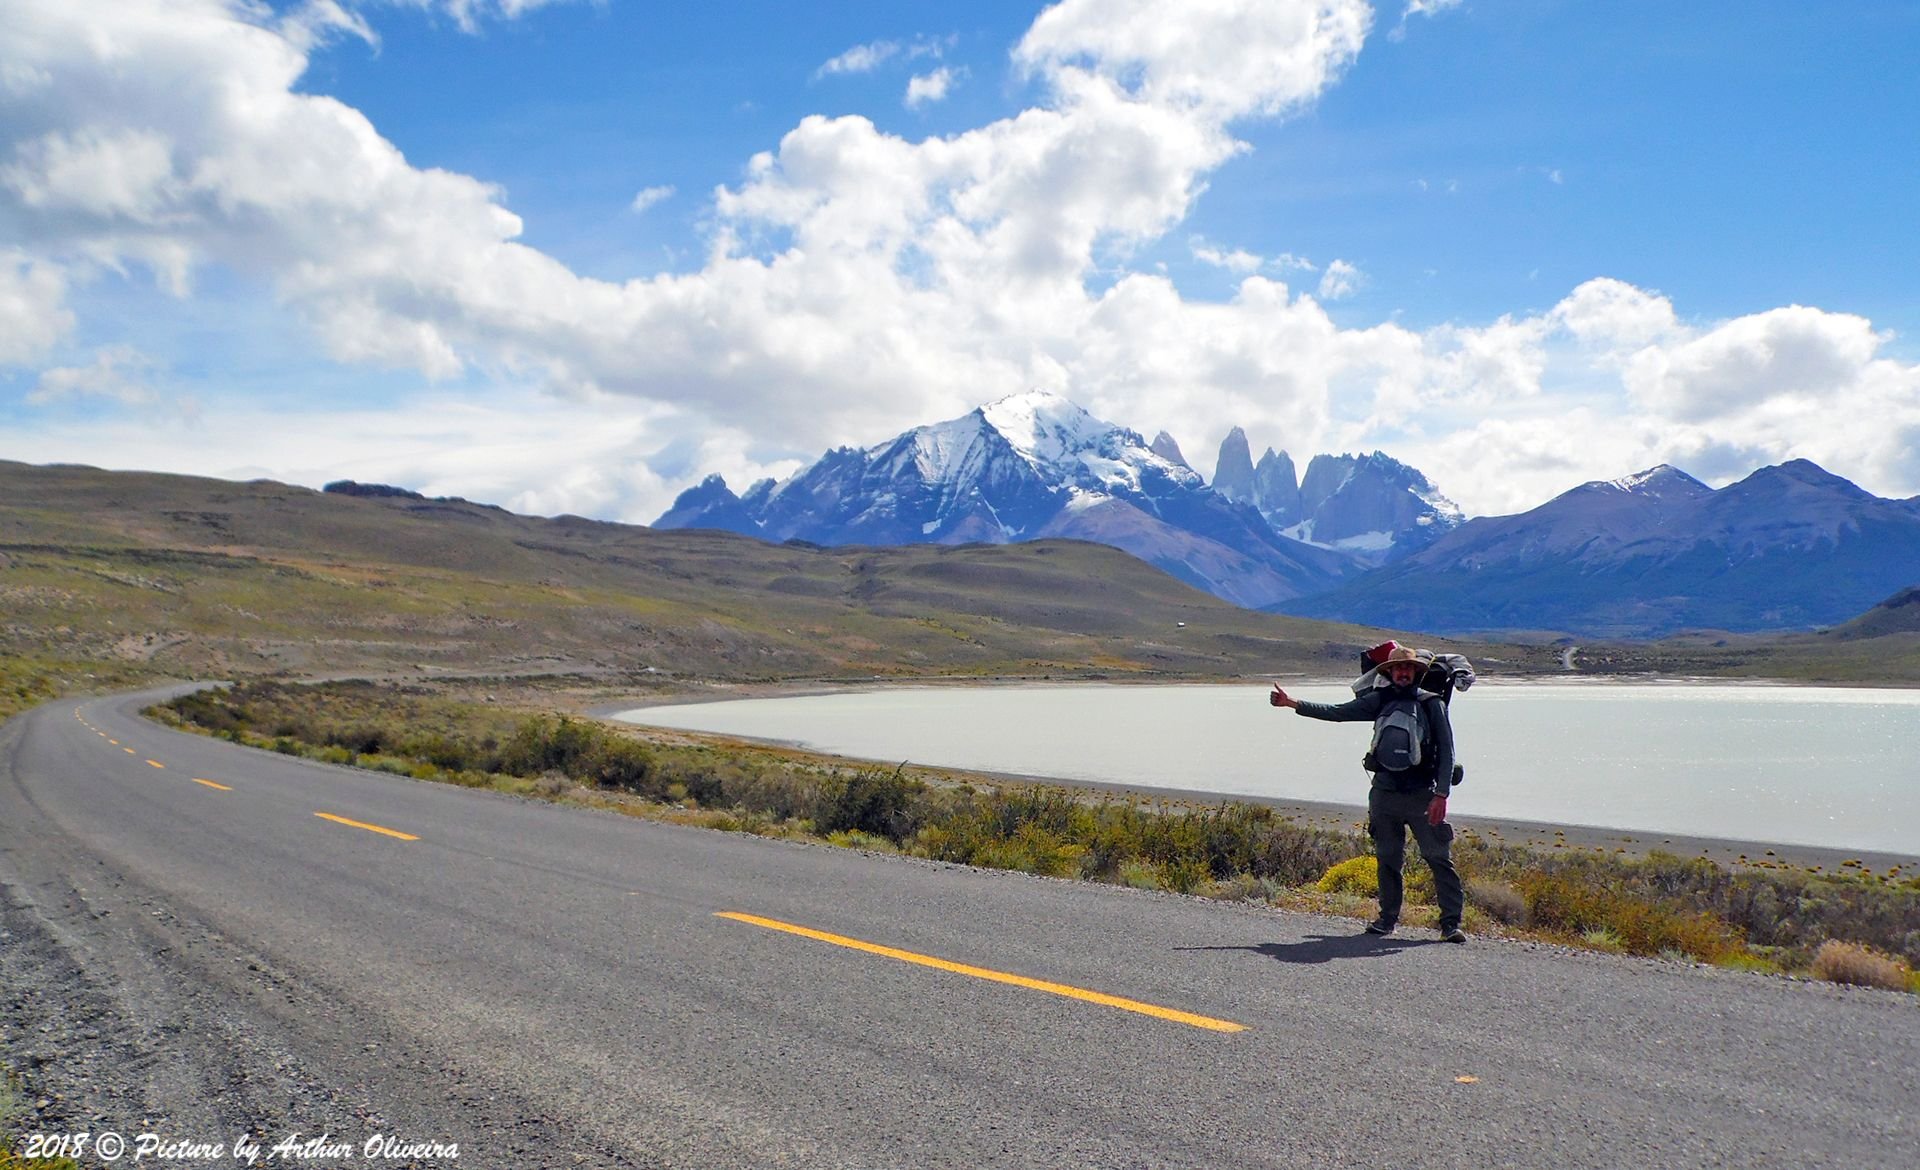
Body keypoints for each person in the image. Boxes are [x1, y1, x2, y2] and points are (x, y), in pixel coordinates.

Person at [1269, 646, 1468, 943]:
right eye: (1397, 669)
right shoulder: (1379, 701)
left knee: (1438, 858)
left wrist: (1441, 794)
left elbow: (1447, 752)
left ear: (1416, 673)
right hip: (1384, 794)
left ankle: (1450, 925)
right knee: (1388, 858)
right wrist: (1292, 703)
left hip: (1423, 795)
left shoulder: (1431, 704)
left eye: (1408, 669)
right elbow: (1337, 713)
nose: (1402, 673)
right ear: (1388, 673)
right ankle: (1387, 920)